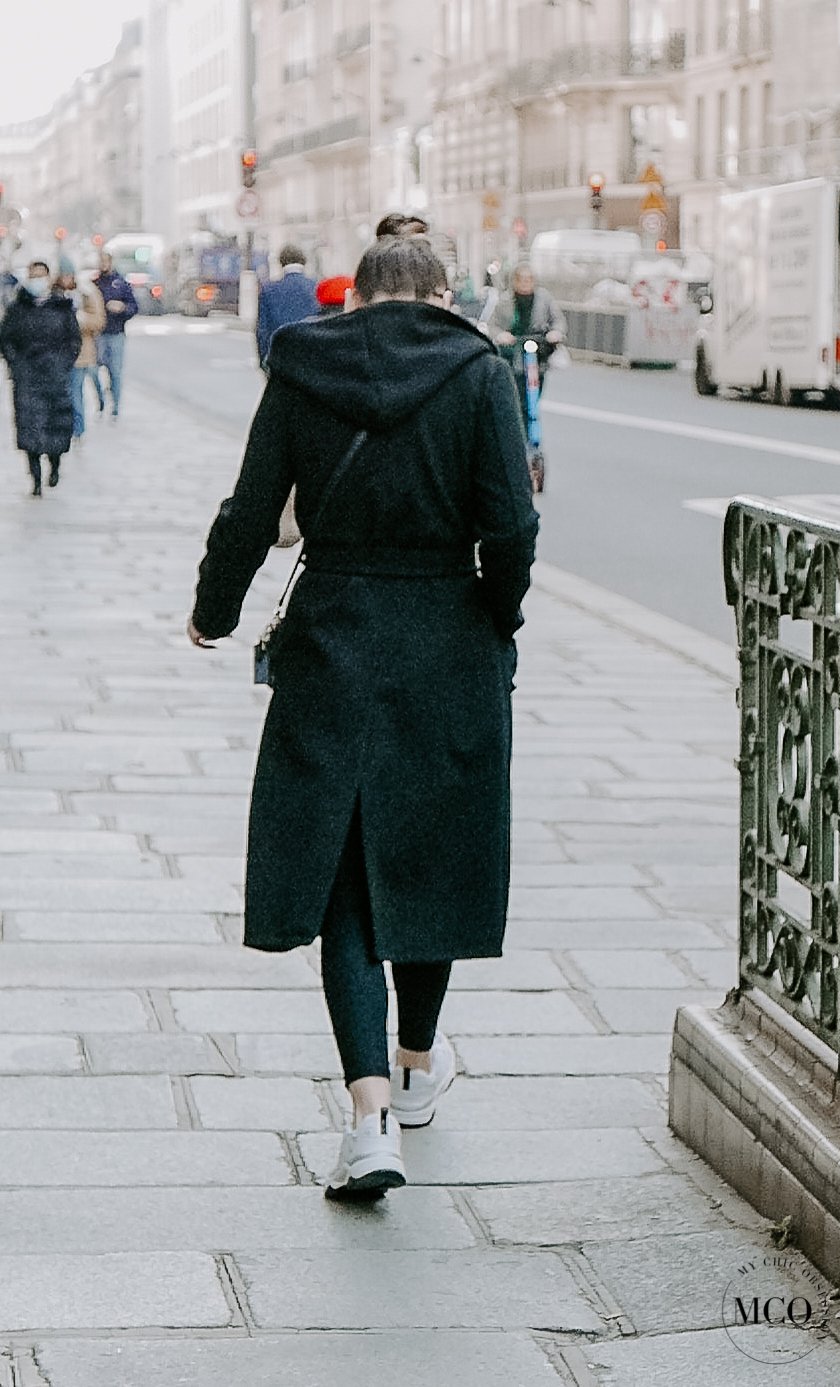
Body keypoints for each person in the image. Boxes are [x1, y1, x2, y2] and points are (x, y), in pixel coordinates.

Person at [188, 236, 538, 1200]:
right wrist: (494, 615)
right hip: (446, 641)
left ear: (356, 296)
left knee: (344, 879)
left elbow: (253, 507)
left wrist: (212, 609)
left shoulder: (303, 362)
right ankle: (419, 1066)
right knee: (433, 852)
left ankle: (368, 1113)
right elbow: (511, 523)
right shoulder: (479, 370)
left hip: (334, 635)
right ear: (438, 294)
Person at [0, 260, 81, 496]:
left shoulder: (61, 308)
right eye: (32, 275)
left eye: (40, 276)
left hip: (55, 375)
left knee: (56, 425)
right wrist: (17, 364)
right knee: (29, 428)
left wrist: (63, 363)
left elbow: (73, 340)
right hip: (27, 377)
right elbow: (6, 339)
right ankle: (35, 478)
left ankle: (54, 465)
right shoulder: (18, 309)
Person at [491, 262, 566, 420]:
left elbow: (558, 320)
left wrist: (556, 333)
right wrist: (501, 336)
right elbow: (493, 325)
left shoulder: (544, 299)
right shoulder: (505, 300)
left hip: (537, 351)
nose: (525, 283)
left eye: (529, 279)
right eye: (521, 279)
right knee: (517, 393)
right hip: (514, 351)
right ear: (514, 281)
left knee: (535, 389)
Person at [55, 258, 106, 444]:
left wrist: (79, 320)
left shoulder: (86, 293)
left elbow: (99, 321)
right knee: (63, 394)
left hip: (80, 353)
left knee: (75, 392)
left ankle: (78, 430)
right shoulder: (53, 295)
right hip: (56, 354)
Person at [93, 251, 138, 420]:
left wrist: (123, 308)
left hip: (116, 333)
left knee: (116, 372)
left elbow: (133, 306)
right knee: (93, 370)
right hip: (99, 334)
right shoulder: (95, 284)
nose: (103, 264)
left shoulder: (120, 284)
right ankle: (100, 399)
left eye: (106, 261)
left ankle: (115, 406)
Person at [256, 244, 317, 367]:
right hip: (310, 354)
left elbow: (262, 329)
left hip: (279, 355)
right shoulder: (316, 287)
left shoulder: (269, 290)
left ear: (281, 262)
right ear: (304, 261)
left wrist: (264, 360)